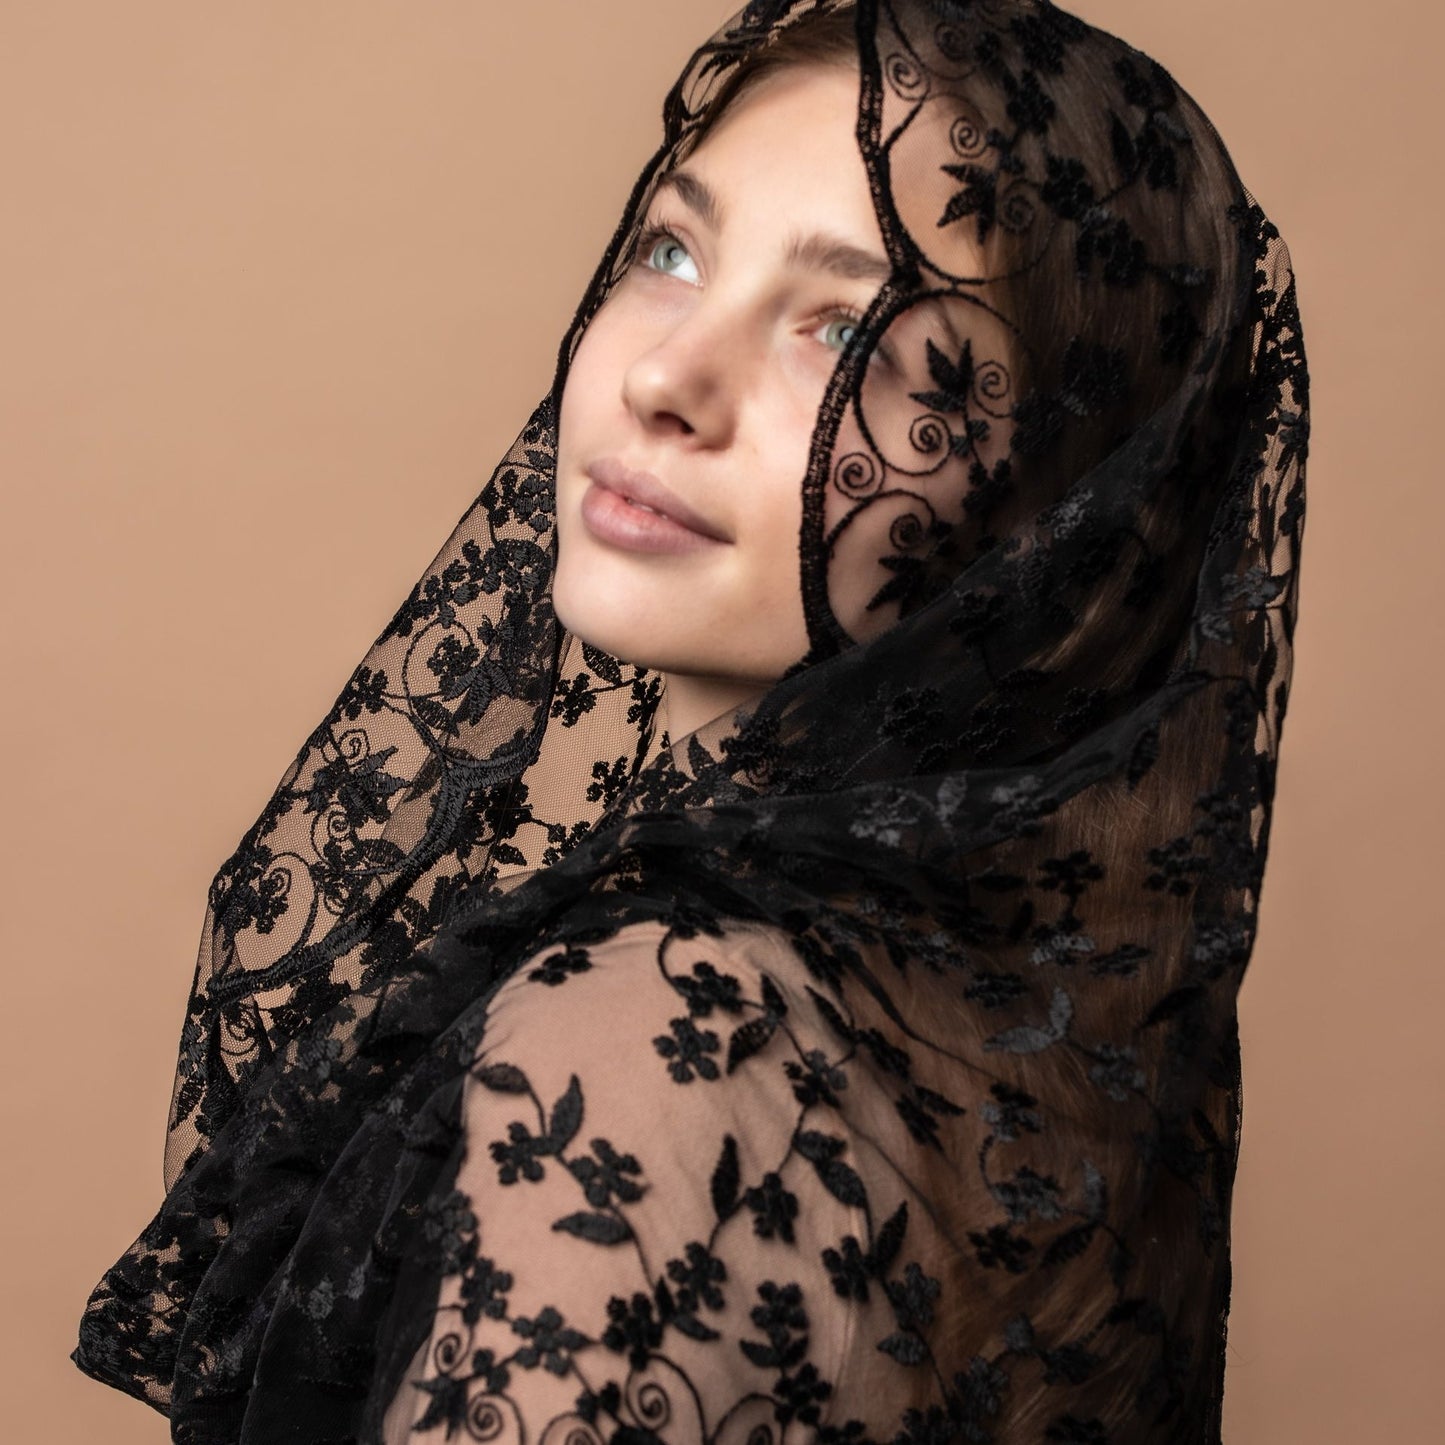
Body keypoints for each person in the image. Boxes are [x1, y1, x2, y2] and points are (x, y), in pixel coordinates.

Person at [72, 1, 1309, 1441]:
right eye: (671, 251)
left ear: (1061, 502)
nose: (664, 380)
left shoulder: (650, 1039)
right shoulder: (998, 1051)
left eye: (849, 331)